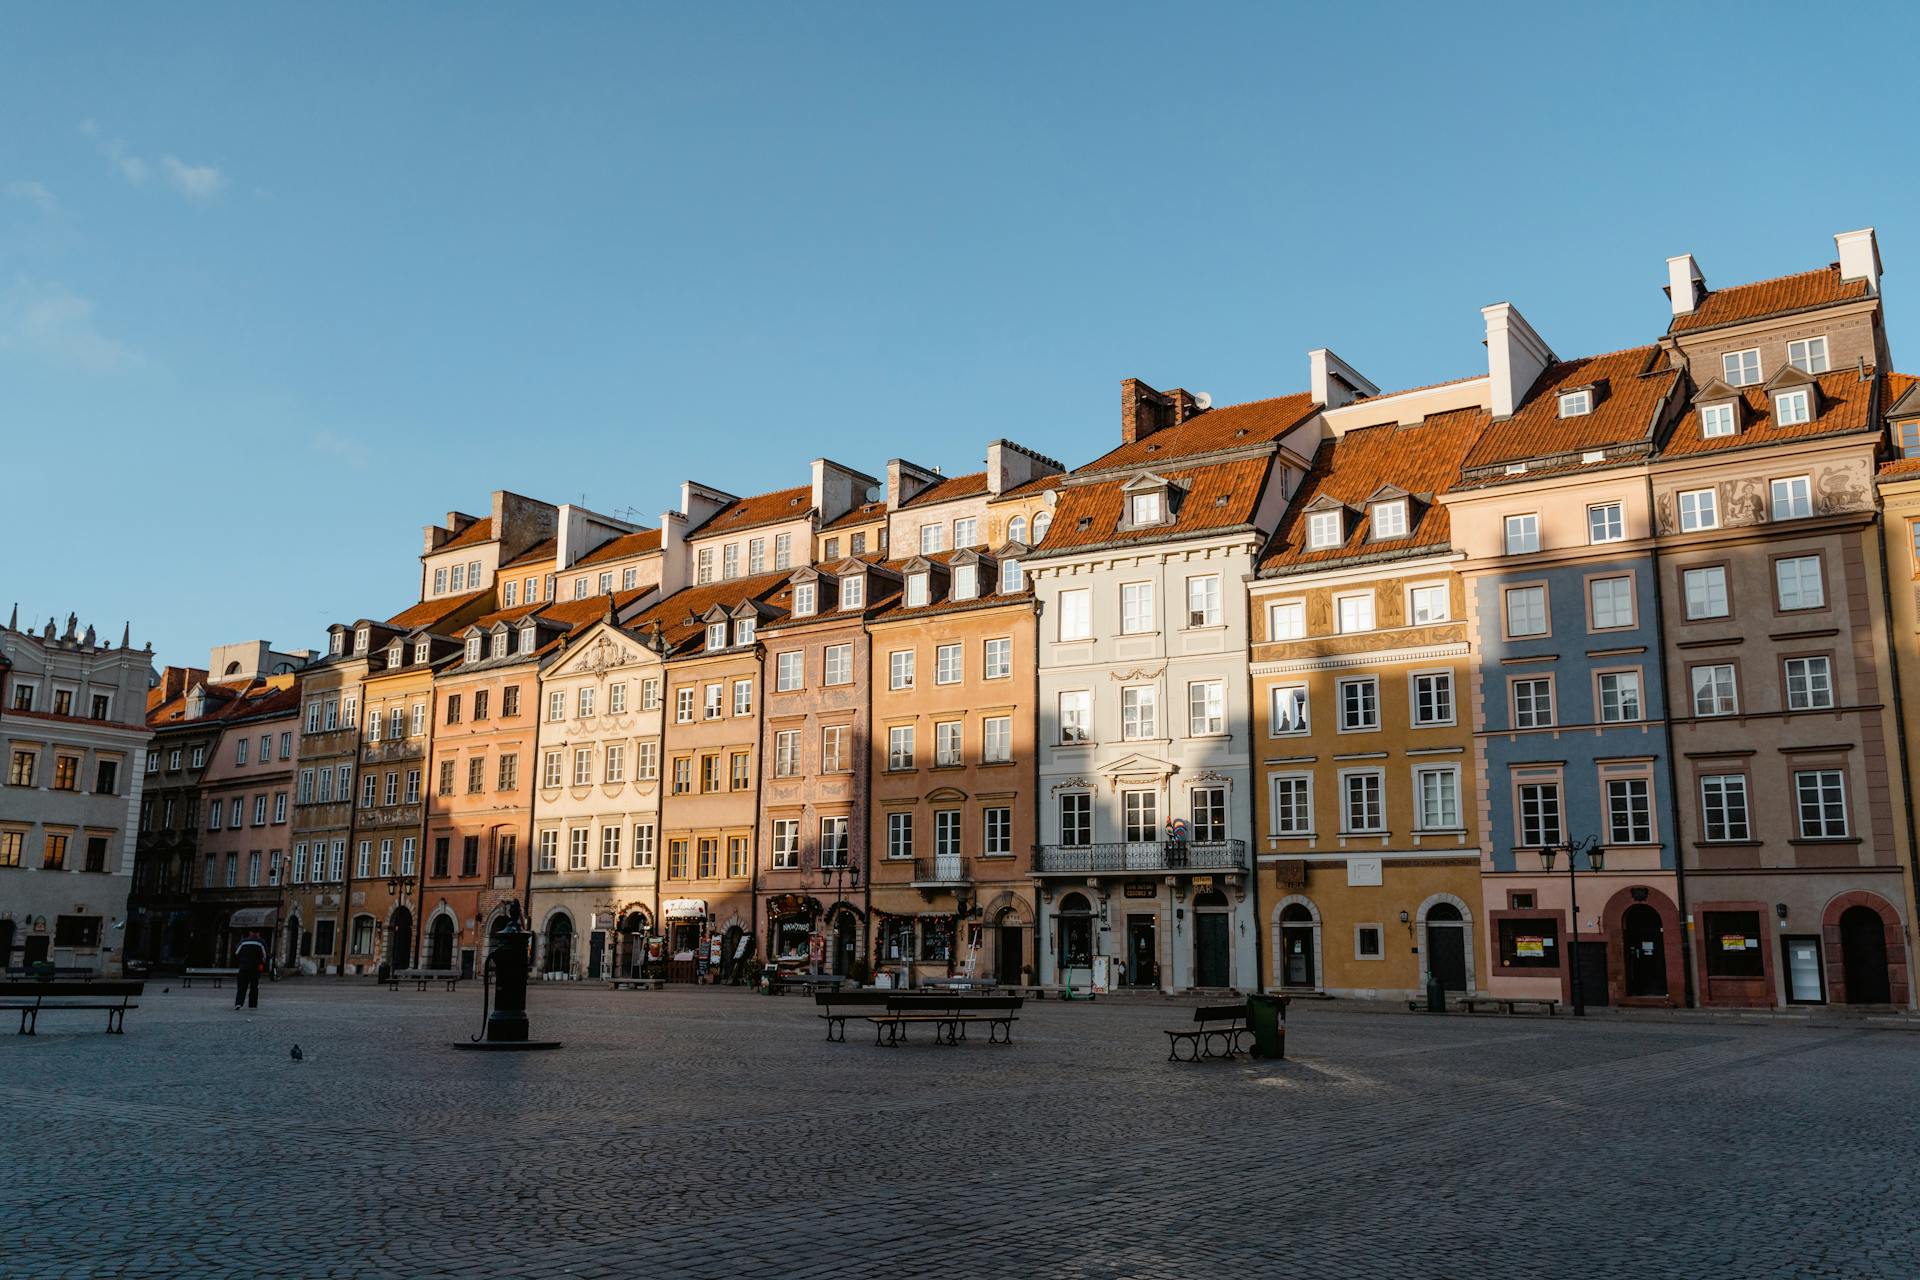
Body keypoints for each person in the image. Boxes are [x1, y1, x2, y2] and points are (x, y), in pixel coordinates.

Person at [233, 931, 268, 1010]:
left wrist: (242, 960)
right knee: (254, 986)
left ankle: (239, 1003)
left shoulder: (243, 942)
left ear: (250, 933)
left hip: (244, 967)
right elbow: (265, 955)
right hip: (255, 968)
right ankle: (252, 1004)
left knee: (242, 986)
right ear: (258, 933)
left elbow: (236, 953)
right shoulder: (261, 942)